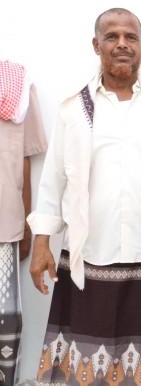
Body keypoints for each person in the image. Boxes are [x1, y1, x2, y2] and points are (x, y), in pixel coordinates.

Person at [27, 8, 141, 385]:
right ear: (96, 45)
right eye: (112, 36)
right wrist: (41, 243)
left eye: (130, 37)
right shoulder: (73, 110)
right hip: (88, 254)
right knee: (82, 365)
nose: (121, 44)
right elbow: (53, 179)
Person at [0, 60, 47, 385]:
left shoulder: (18, 84)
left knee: (6, 316)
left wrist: (28, 223)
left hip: (5, 222)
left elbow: (26, 162)